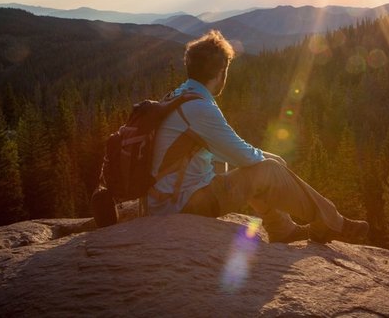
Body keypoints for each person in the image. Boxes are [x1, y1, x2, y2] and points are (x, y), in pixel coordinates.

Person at [147, 29, 369, 244]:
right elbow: (245, 157)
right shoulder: (199, 108)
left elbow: (233, 153)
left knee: (271, 163)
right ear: (221, 71)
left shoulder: (180, 95)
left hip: (170, 197)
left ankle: (283, 229)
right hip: (182, 205)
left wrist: (266, 160)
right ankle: (333, 222)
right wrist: (265, 163)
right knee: (268, 170)